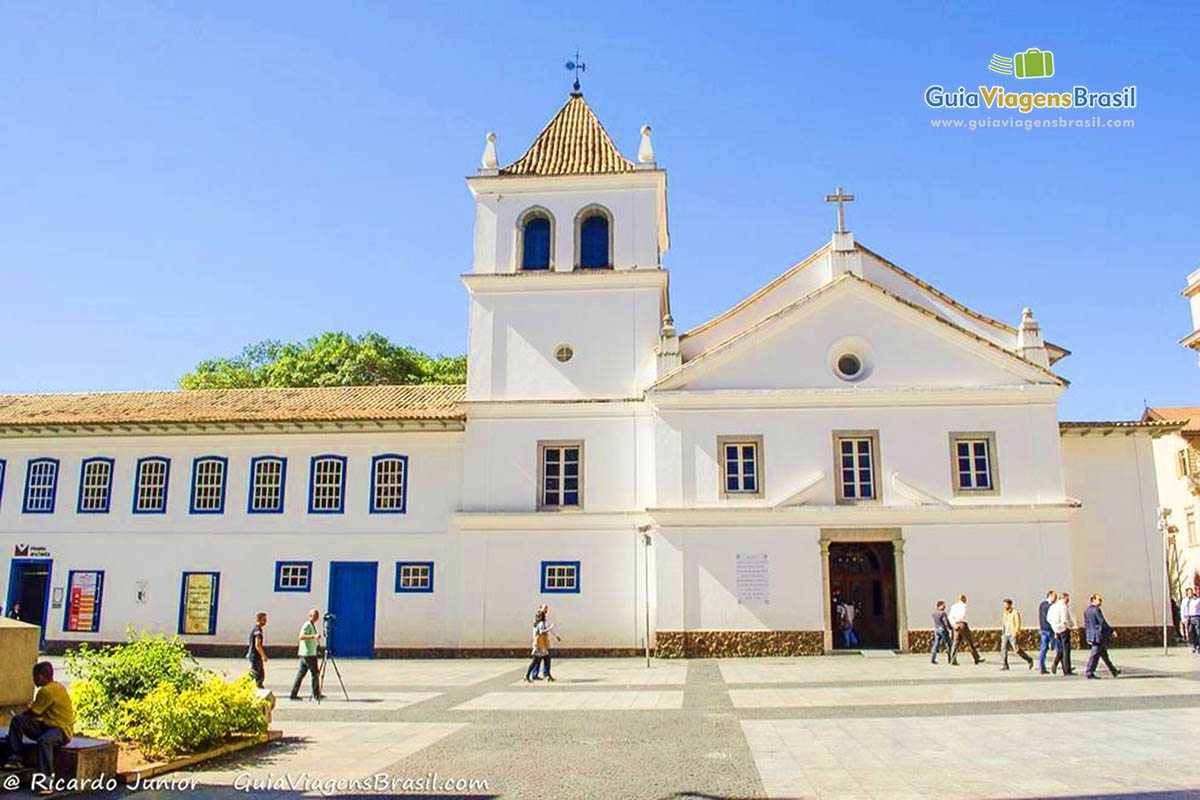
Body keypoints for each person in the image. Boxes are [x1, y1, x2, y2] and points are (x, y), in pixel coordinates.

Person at [4, 661, 74, 793]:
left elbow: (34, 712)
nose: (34, 680)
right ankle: (16, 758)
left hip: (60, 730)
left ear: (41, 676)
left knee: (44, 741)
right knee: (18, 721)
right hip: (48, 724)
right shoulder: (57, 686)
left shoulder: (46, 691)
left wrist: (24, 713)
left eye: (35, 677)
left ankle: (47, 781)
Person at [289, 608, 324, 700]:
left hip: (310, 653)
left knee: (301, 674)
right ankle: (316, 694)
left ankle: (293, 693)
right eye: (314, 615)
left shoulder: (312, 625)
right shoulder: (307, 625)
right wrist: (313, 636)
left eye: (317, 616)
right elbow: (301, 636)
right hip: (308, 654)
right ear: (310, 616)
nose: (316, 617)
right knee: (315, 673)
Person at [1084, 594, 1120, 679]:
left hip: (1092, 635)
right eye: (1099, 600)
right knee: (1094, 654)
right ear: (1093, 600)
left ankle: (1113, 670)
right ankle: (1089, 672)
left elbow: (1087, 625)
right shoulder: (1096, 610)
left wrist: (1088, 636)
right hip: (1098, 635)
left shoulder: (1087, 610)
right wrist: (1111, 631)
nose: (1101, 601)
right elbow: (1102, 622)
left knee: (1104, 655)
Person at [948, 594, 984, 665]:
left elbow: (950, 617)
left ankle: (952, 659)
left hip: (956, 625)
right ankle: (976, 658)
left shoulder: (953, 606)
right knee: (969, 642)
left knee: (956, 643)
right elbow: (964, 615)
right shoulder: (964, 606)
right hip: (962, 624)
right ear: (963, 599)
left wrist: (954, 625)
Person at [1000, 598, 1034, 670]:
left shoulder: (1015, 612)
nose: (1004, 606)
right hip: (1005, 634)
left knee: (1017, 649)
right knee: (1003, 649)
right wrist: (1002, 633)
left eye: (1006, 604)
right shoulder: (1004, 613)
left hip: (1012, 633)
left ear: (1010, 604)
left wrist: (1016, 632)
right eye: (1004, 605)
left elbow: (1018, 623)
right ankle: (1005, 664)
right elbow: (1004, 623)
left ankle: (1029, 659)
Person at [1048, 592, 1076, 676]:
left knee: (1061, 649)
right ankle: (1067, 670)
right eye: (1067, 599)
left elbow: (1048, 618)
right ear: (1063, 598)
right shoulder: (1063, 607)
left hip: (1056, 630)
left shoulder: (1052, 607)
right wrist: (1071, 625)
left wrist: (1054, 627)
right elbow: (1065, 619)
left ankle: (1057, 664)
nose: (1068, 601)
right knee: (1066, 650)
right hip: (1063, 629)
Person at [537, 603, 563, 679]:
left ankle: (546, 674)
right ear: (540, 608)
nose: (546, 610)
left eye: (546, 608)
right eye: (545, 608)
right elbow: (541, 630)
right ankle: (536, 674)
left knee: (544, 658)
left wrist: (556, 635)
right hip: (540, 641)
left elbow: (548, 628)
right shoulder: (539, 618)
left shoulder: (544, 618)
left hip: (544, 640)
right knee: (538, 659)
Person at [1037, 589, 1059, 674]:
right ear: (1050, 596)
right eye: (1055, 596)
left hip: (1043, 629)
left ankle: (1041, 667)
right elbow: (1050, 618)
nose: (1056, 598)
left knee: (1043, 648)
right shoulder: (1049, 606)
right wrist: (1054, 629)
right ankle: (1063, 665)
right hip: (1050, 629)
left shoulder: (1042, 604)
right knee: (1059, 648)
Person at [247, 611, 268, 689]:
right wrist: (264, 655)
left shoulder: (257, 629)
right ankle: (243, 686)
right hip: (255, 655)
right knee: (254, 673)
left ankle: (259, 687)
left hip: (255, 655)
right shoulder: (257, 631)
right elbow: (257, 645)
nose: (265, 622)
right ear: (258, 620)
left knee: (260, 674)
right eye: (264, 620)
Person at [1183, 587, 1200, 654]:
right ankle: (1193, 645)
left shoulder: (1197, 600)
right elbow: (1183, 610)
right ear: (1187, 593)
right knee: (1190, 632)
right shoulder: (1185, 601)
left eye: (1191, 592)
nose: (1190, 593)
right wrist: (1183, 619)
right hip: (1188, 618)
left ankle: (1198, 646)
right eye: (1189, 592)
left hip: (1196, 617)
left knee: (1198, 632)